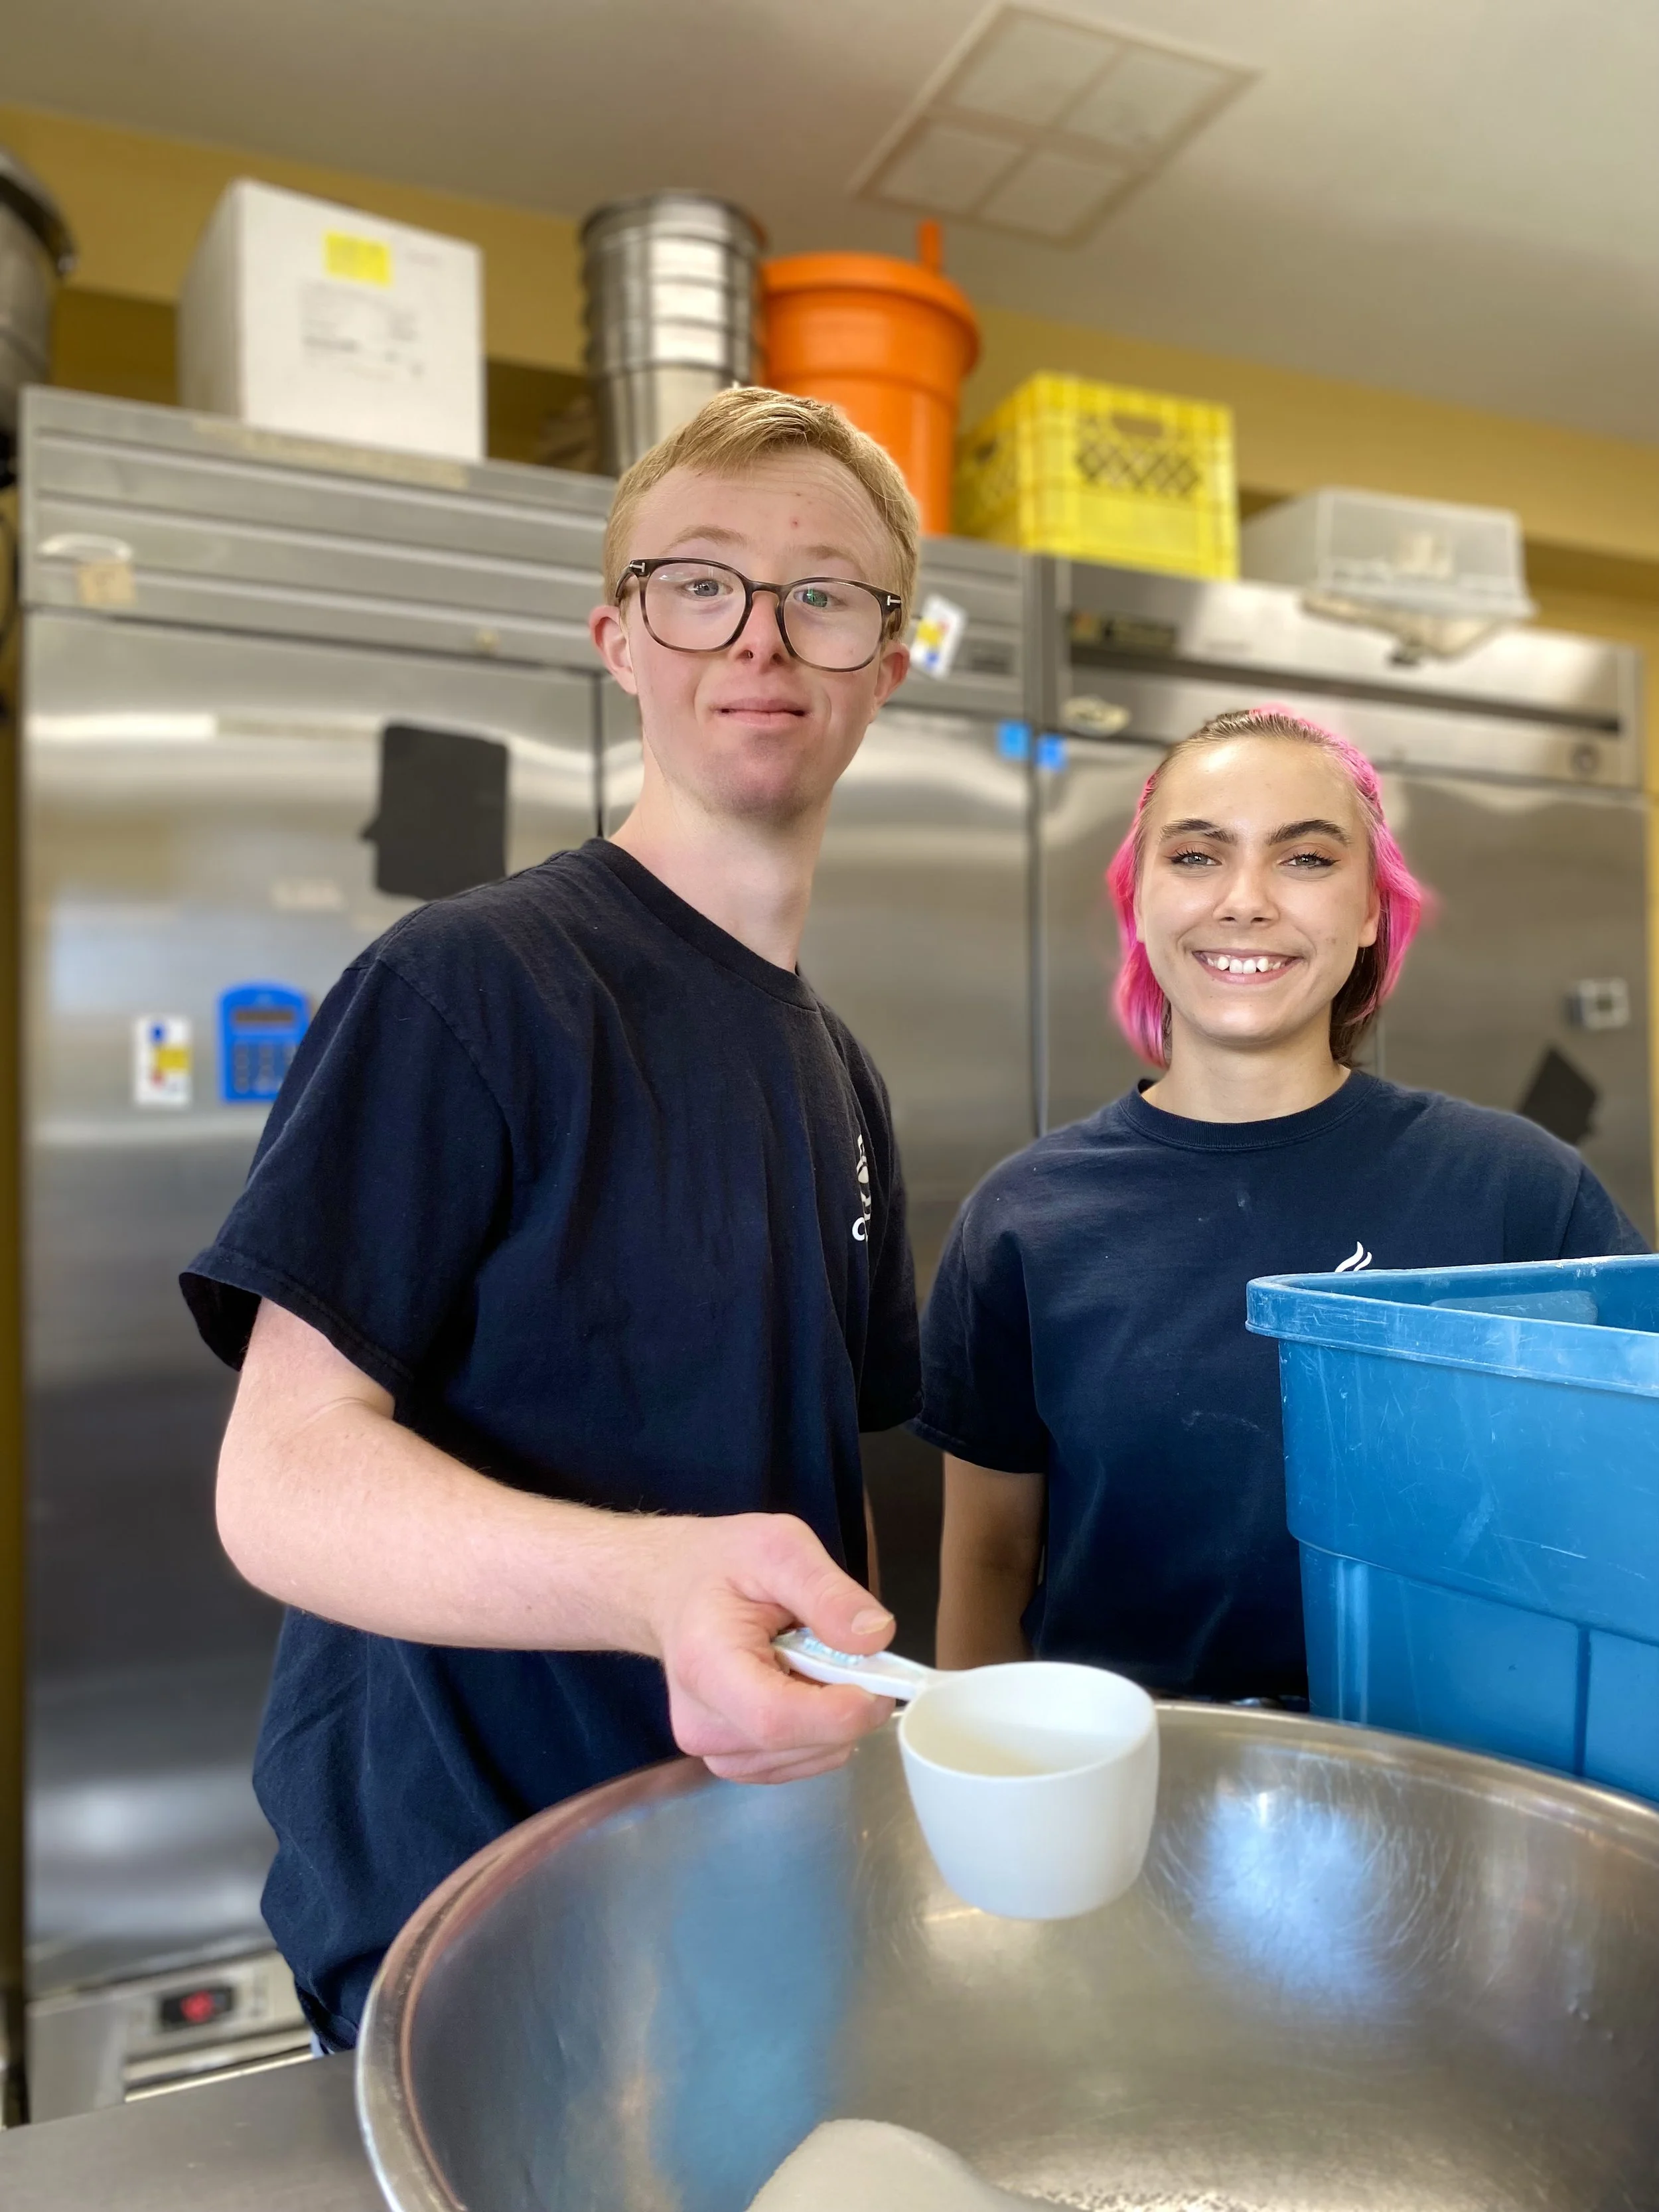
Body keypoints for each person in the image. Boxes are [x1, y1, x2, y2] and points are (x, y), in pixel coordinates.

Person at [181, 388, 920, 2047]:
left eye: (824, 593)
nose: (761, 637)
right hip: (484, 1924)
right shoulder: (472, 984)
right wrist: (656, 1591)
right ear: (618, 636)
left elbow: (829, 1485)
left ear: (891, 657)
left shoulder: (843, 1072)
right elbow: (281, 1480)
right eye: (698, 581)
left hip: (735, 1894)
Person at [922, 706, 1645, 1693]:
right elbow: (990, 1561)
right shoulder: (1026, 1218)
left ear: (1371, 910)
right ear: (1140, 898)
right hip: (1136, 1794)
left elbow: (1615, 1526)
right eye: (1196, 856)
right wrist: (997, 1777)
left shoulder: (1518, 1190)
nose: (1246, 902)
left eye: (1306, 859)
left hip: (1455, 1777)